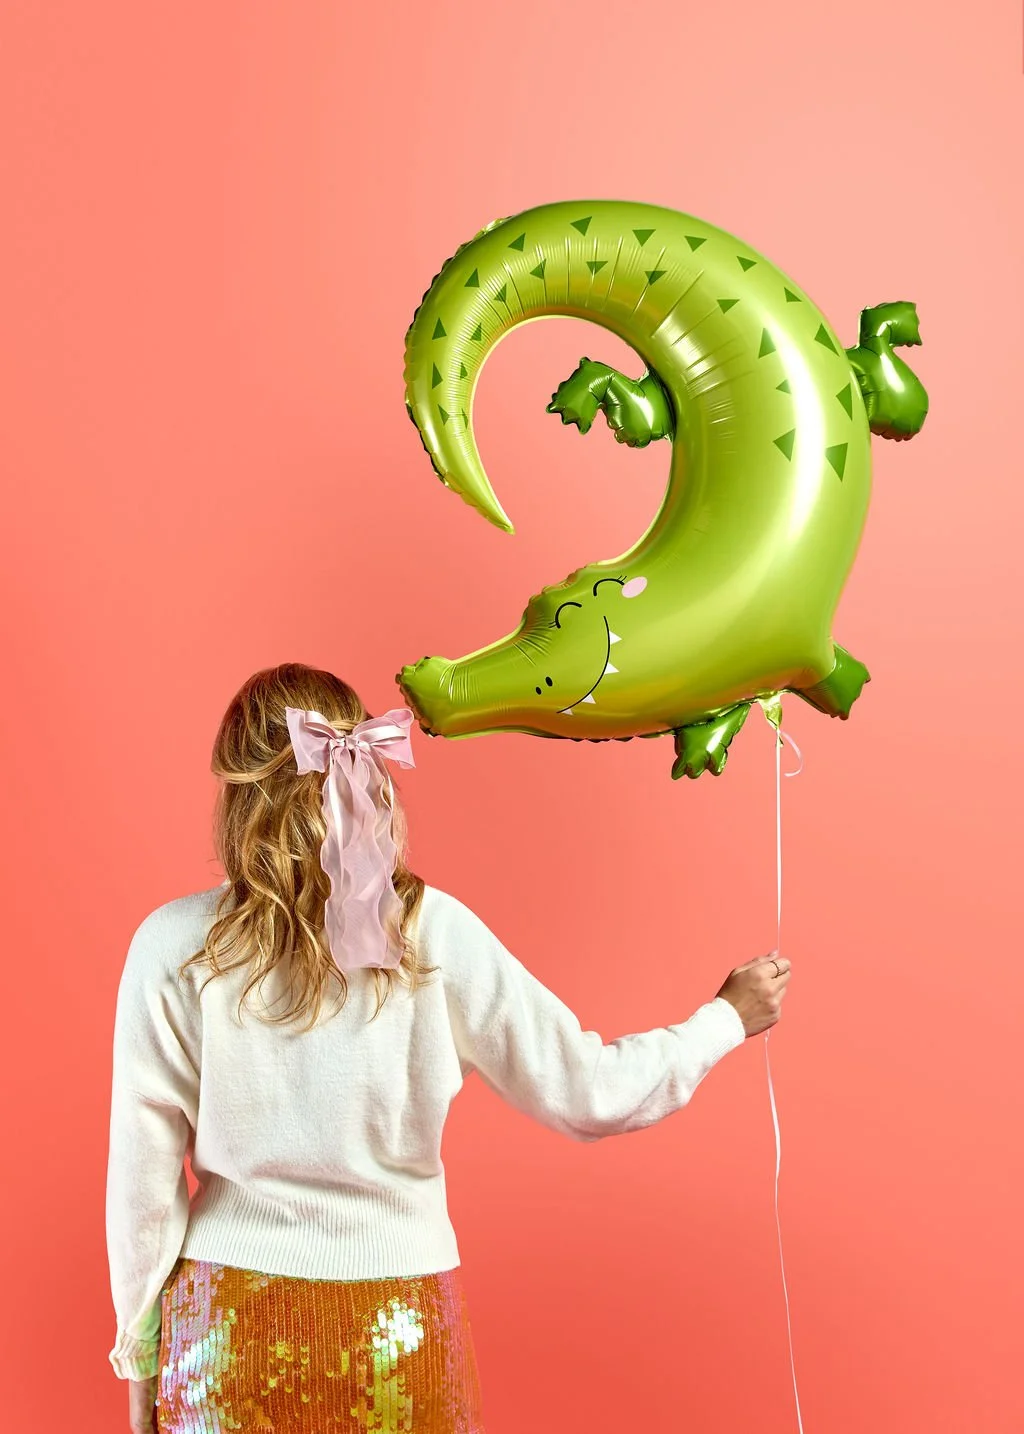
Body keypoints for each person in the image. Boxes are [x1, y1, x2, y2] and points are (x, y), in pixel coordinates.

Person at [106, 662, 792, 1434]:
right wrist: (725, 1019)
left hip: (225, 1335)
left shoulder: (172, 946)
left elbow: (142, 1184)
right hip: (401, 1330)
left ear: (235, 791)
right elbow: (590, 1092)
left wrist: (141, 1358)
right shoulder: (435, 934)